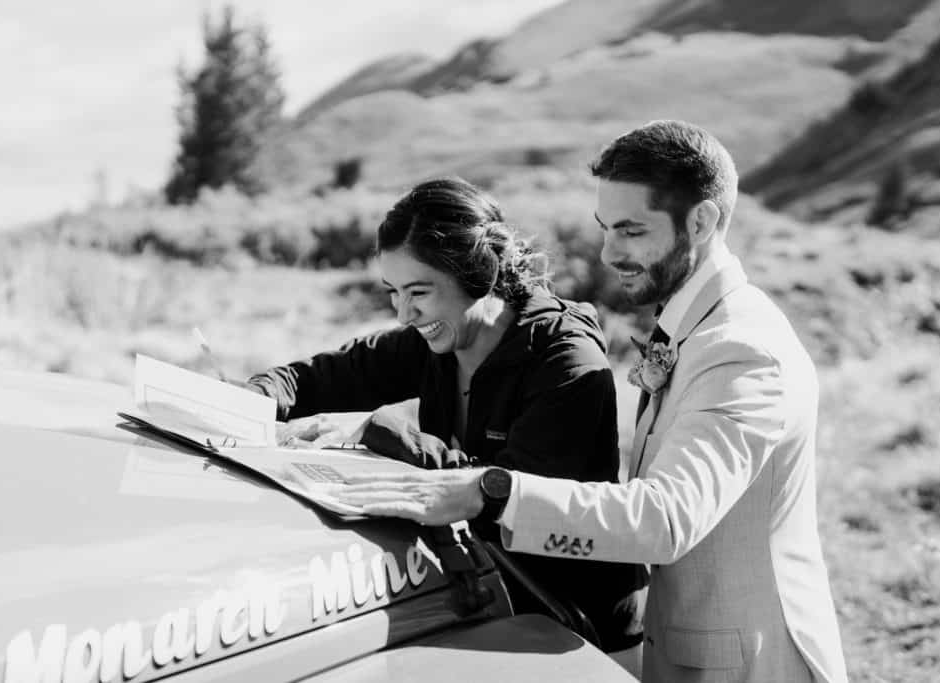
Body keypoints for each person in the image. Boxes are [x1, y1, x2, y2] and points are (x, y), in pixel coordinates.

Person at [331, 121, 849, 683]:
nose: (608, 253)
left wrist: (488, 489)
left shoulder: (740, 350)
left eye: (630, 231)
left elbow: (664, 518)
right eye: (605, 229)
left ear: (700, 222)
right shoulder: (694, 329)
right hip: (689, 651)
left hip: (753, 665)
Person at [244, 177, 646, 658]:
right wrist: (247, 401)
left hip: (579, 628)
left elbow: (504, 495)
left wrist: (382, 434)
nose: (403, 314)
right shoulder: (436, 339)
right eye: (393, 292)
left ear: (477, 272)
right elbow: (321, 376)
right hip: (489, 601)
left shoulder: (567, 360)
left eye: (419, 292)